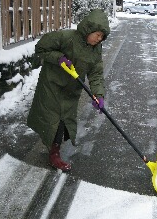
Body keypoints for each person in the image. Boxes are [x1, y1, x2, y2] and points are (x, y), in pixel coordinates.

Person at [27, 9, 110, 172]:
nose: (99, 39)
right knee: (54, 119)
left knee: (65, 119)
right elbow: (41, 48)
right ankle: (54, 154)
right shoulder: (66, 37)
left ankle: (54, 146)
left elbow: (96, 73)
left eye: (102, 37)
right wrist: (58, 58)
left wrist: (98, 95)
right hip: (52, 84)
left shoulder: (96, 50)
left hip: (71, 89)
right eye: (98, 35)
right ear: (89, 29)